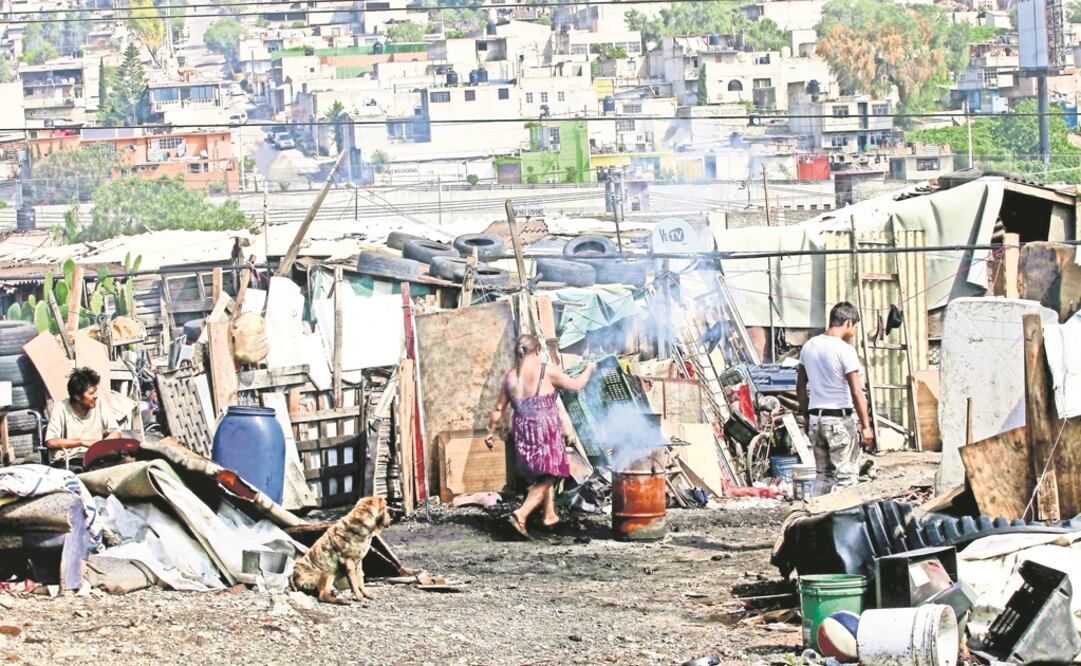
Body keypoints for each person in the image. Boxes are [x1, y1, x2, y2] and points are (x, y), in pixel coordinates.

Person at [486, 334, 594, 538]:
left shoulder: (510, 376)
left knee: (541, 473)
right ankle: (521, 514)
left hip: (523, 431)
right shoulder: (547, 371)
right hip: (545, 430)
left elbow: (499, 408)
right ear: (537, 350)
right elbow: (576, 385)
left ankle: (549, 515)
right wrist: (589, 369)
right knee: (551, 473)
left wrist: (491, 432)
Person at [796, 302, 874, 493]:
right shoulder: (845, 349)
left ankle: (816, 519)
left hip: (816, 419)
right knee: (846, 477)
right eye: (855, 326)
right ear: (848, 322)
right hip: (838, 420)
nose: (854, 331)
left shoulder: (809, 346)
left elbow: (800, 386)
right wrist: (866, 426)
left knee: (823, 475)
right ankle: (842, 520)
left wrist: (805, 416)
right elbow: (856, 391)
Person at [45, 367, 123, 467]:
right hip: (69, 460)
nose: (95, 396)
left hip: (95, 457)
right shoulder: (61, 408)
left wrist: (102, 445)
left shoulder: (99, 404)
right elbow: (51, 442)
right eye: (91, 393)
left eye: (95, 391)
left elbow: (116, 432)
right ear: (77, 396)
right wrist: (82, 442)